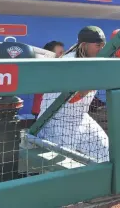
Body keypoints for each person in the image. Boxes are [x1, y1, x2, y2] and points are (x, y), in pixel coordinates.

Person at [37, 26, 109, 163]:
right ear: (83, 45)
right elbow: (72, 98)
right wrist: (97, 79)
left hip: (81, 117)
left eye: (103, 45)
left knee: (104, 151)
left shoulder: (95, 59)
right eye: (98, 45)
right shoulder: (68, 62)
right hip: (57, 121)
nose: (101, 49)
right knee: (60, 165)